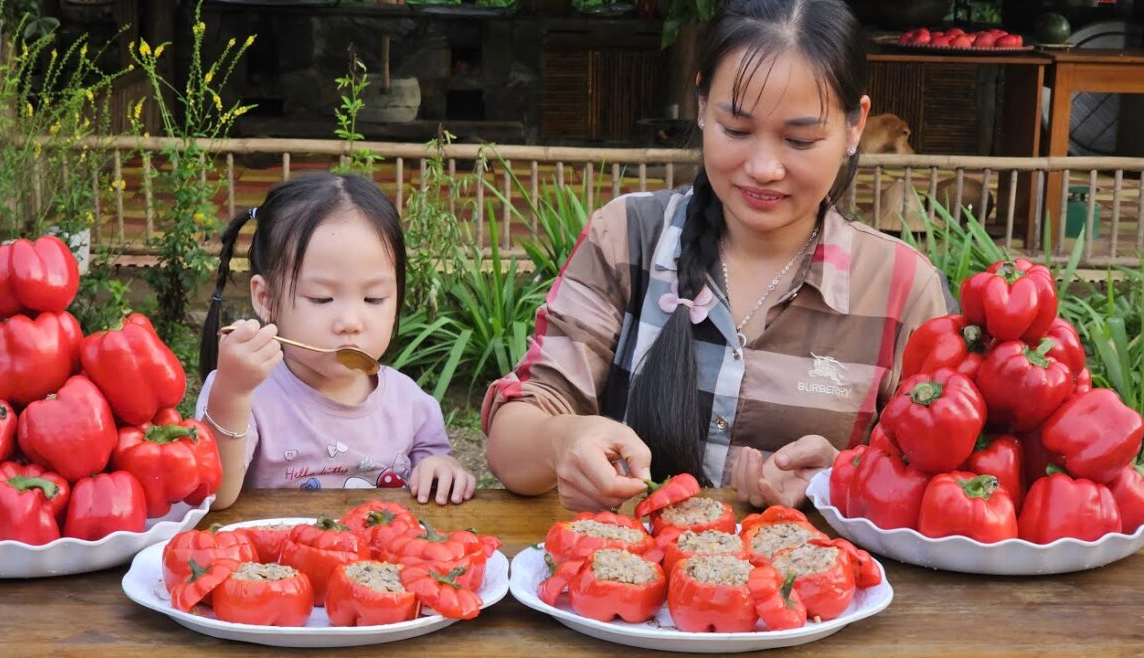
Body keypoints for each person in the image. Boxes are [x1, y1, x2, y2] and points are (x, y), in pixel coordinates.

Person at [483, 0, 954, 512]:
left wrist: (844, 477)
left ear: (855, 126)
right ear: (703, 103)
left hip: (813, 588)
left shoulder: (902, 287)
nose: (763, 167)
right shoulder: (628, 238)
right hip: (628, 580)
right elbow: (514, 439)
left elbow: (944, 479)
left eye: (800, 139)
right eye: (736, 129)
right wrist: (563, 440)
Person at [197, 173, 476, 510]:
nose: (350, 322)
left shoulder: (410, 406)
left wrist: (442, 469)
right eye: (321, 298)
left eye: (374, 299)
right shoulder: (245, 396)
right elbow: (216, 498)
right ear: (266, 298)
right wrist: (232, 393)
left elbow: (437, 470)